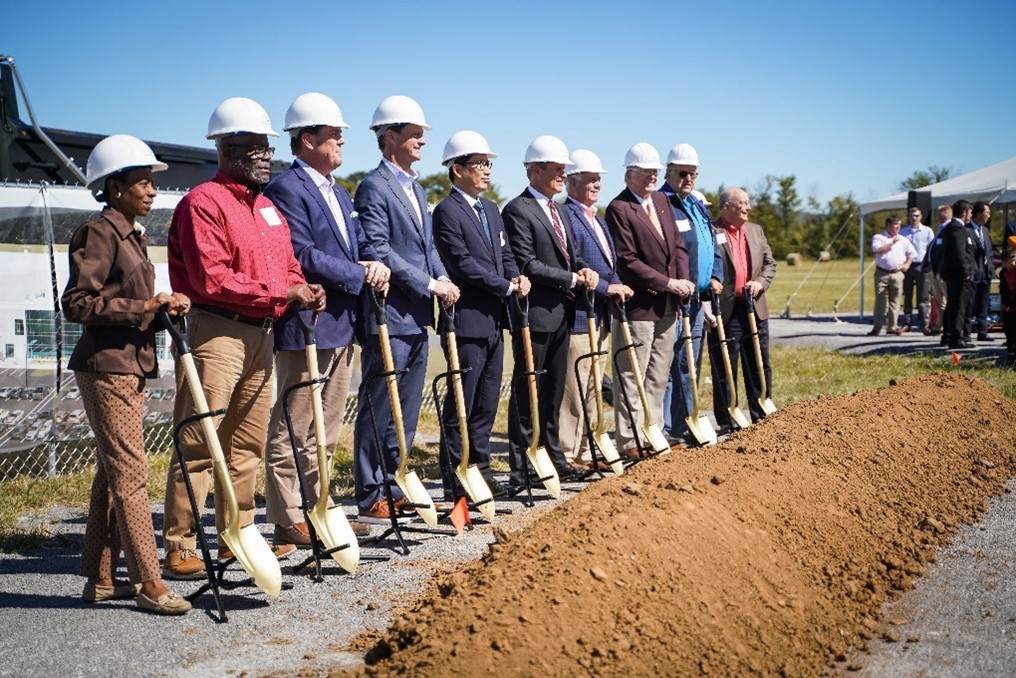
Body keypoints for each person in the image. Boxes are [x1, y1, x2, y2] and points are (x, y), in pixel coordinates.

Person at [162, 98, 325, 579]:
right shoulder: (202, 203)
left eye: (266, 147)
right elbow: (212, 279)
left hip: (263, 334)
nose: (263, 156)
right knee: (199, 441)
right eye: (252, 147)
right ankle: (180, 545)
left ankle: (238, 534)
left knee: (246, 444)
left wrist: (304, 287)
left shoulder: (269, 208)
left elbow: (289, 264)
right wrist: (285, 290)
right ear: (224, 148)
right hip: (217, 333)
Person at [63, 134, 191, 614]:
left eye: (151, 182)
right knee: (131, 473)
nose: (152, 189)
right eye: (141, 181)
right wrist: (144, 304)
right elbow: (77, 303)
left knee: (112, 471)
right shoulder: (98, 233)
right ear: (114, 187)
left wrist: (165, 306)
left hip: (127, 365)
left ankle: (99, 578)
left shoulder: (133, 235)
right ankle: (149, 583)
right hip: (106, 367)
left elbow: (132, 302)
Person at [262, 93, 390, 548]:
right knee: (295, 425)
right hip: (306, 323)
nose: (341, 141)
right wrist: (359, 272)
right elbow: (301, 253)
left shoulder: (339, 191)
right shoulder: (285, 190)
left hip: (341, 324)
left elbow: (358, 242)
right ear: (306, 139)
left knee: (328, 427)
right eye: (333, 134)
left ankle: (320, 508)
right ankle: (286, 517)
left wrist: (373, 262)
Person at [353, 95, 459, 521]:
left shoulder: (416, 187)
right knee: (381, 404)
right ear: (389, 136)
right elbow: (380, 250)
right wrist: (428, 283)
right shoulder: (374, 186)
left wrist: (442, 277)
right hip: (390, 315)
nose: (421, 141)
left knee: (407, 409)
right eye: (414, 134)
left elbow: (426, 246)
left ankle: (396, 483)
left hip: (417, 316)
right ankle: (369, 495)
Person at [432, 131, 528, 499]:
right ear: (457, 170)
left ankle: (481, 471)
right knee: (461, 402)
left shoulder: (490, 210)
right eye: (479, 164)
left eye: (489, 164)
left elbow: (503, 254)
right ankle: (454, 478)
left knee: (487, 402)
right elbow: (463, 265)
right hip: (466, 321)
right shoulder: (447, 211)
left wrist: (515, 274)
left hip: (493, 319)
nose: (487, 170)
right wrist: (505, 286)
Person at [502, 135, 599, 490]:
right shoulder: (517, 210)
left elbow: (571, 254)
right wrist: (573, 277)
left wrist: (585, 269)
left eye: (564, 169)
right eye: (557, 169)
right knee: (528, 390)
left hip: (563, 313)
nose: (562, 175)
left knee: (554, 390)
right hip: (535, 315)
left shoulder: (559, 210)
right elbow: (527, 263)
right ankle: (520, 467)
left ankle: (553, 455)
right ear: (535, 169)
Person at [605, 143, 693, 457]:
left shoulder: (661, 201)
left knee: (658, 373)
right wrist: (669, 282)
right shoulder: (619, 208)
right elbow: (627, 260)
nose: (652, 177)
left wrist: (683, 281)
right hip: (640, 306)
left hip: (668, 304)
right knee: (632, 374)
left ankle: (653, 432)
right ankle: (629, 441)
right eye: (645, 172)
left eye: (655, 172)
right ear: (629, 174)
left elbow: (678, 246)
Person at [560, 150, 631, 467]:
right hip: (578, 317)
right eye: (590, 179)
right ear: (571, 183)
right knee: (574, 389)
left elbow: (608, 265)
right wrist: (605, 287)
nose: (596, 184)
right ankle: (568, 451)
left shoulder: (599, 220)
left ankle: (587, 449)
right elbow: (575, 268)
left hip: (601, 317)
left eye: (598, 179)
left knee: (592, 387)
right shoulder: (567, 218)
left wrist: (617, 283)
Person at [658, 143, 723, 444]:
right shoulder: (662, 203)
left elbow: (712, 241)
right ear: (668, 172)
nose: (688, 178)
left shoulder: (695, 204)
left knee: (690, 363)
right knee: (670, 364)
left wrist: (714, 278)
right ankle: (668, 428)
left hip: (697, 300)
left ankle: (686, 422)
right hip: (674, 299)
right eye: (683, 173)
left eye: (693, 174)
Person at [707, 188, 777, 426]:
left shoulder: (756, 231)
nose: (748, 207)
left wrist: (759, 283)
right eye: (743, 203)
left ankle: (762, 416)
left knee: (759, 363)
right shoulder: (711, 230)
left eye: (748, 202)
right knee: (726, 365)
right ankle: (727, 420)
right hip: (725, 310)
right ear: (727, 207)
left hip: (754, 307)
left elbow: (770, 264)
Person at [935, 200, 976, 350]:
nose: (971, 216)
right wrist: (966, 272)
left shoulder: (949, 228)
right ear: (964, 212)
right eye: (970, 213)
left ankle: (947, 335)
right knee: (958, 306)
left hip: (951, 273)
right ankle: (956, 338)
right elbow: (960, 253)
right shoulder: (958, 229)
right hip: (959, 275)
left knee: (952, 305)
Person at [867, 216, 916, 336]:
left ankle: (892, 327)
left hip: (897, 273)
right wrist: (891, 242)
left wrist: (907, 265)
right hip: (882, 273)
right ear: (888, 225)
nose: (898, 227)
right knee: (881, 301)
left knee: (895, 301)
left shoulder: (904, 240)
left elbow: (911, 253)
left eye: (899, 224)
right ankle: (877, 327)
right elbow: (877, 249)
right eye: (895, 224)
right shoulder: (879, 237)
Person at [900, 208, 935, 332]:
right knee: (907, 295)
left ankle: (925, 323)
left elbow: (932, 248)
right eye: (911, 216)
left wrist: (930, 264)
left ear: (920, 217)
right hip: (908, 266)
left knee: (923, 296)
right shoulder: (903, 231)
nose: (913, 218)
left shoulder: (927, 231)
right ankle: (907, 322)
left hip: (922, 265)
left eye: (916, 215)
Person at [965, 202, 994, 342]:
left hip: (985, 272)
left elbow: (988, 251)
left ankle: (983, 331)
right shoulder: (967, 230)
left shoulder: (985, 231)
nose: (989, 215)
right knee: (970, 304)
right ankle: (967, 333)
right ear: (978, 213)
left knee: (983, 304)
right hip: (973, 273)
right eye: (987, 212)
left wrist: (991, 268)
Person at [925, 204, 953, 336]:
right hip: (934, 270)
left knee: (949, 298)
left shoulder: (949, 229)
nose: (936, 216)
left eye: (938, 213)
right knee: (939, 300)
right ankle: (940, 325)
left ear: (943, 214)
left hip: (943, 272)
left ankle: (951, 327)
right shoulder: (939, 229)